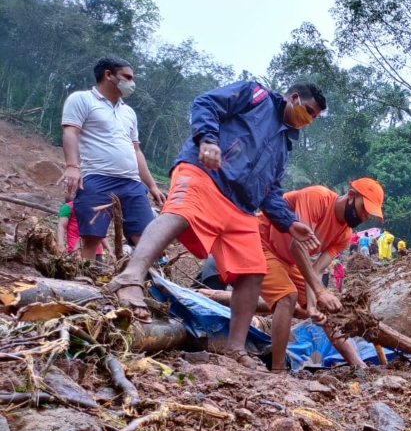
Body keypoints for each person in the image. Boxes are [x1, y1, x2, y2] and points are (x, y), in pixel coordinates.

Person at [103, 80, 325, 370]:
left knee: (253, 271)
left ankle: (235, 348)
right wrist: (207, 140)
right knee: (180, 214)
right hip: (206, 173)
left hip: (242, 205)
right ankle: (129, 279)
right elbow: (205, 103)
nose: (308, 120)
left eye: (313, 118)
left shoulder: (284, 145)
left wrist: (289, 223)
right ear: (294, 97)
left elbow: (271, 190)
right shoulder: (255, 95)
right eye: (308, 111)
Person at [260, 179, 383, 372]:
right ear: (351, 196)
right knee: (287, 296)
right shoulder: (317, 197)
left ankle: (358, 365)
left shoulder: (344, 235)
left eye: (369, 214)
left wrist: (312, 303)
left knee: (326, 308)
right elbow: (296, 244)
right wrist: (319, 290)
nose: (365, 217)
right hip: (262, 242)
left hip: (290, 260)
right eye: (363, 209)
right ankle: (278, 370)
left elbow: (316, 271)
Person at [58, 56, 166, 260]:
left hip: (132, 182)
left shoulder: (129, 112)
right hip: (97, 177)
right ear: (109, 74)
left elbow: (136, 151)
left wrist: (151, 186)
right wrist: (72, 166)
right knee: (92, 236)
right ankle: (85, 279)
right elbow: (70, 132)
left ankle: (147, 283)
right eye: (127, 77)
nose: (132, 83)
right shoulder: (81, 99)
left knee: (144, 236)